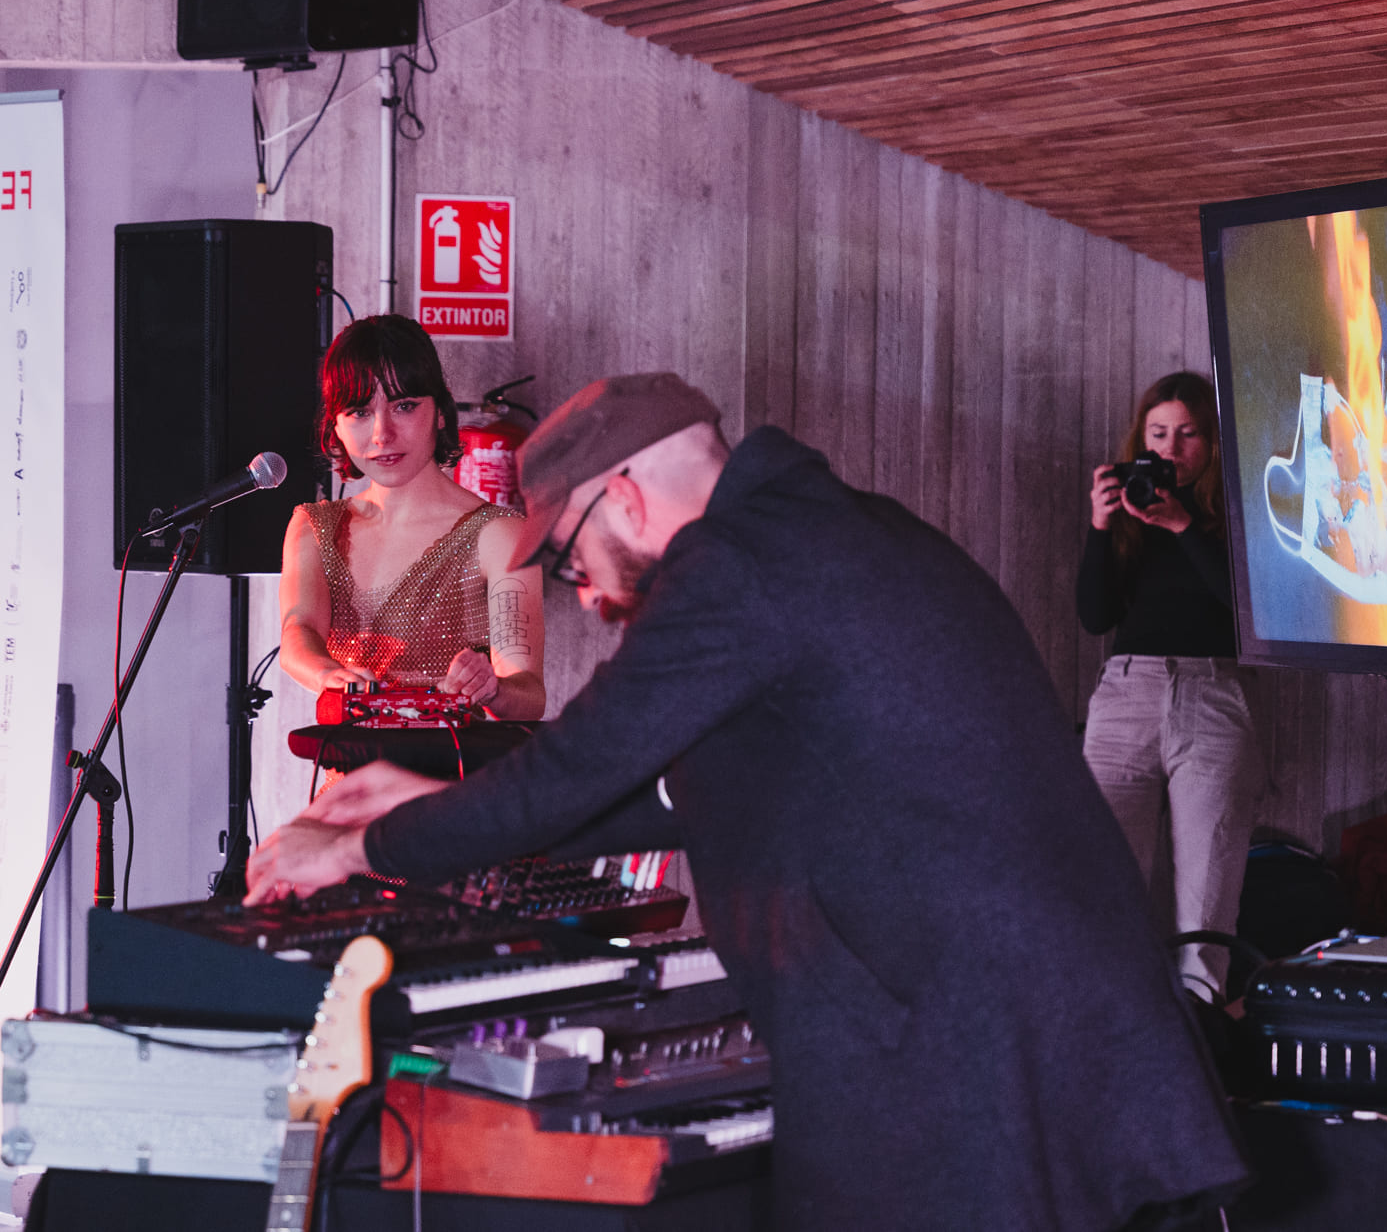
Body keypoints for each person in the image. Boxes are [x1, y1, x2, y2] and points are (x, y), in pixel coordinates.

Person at [249, 373, 1248, 1230]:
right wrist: (430, 792)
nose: (588, 595)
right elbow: (681, 784)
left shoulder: (732, 567)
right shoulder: (826, 531)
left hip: (962, 1052)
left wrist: (359, 848)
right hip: (1024, 1031)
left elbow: (583, 765)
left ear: (624, 498)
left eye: (570, 561)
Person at [1077, 371, 1262, 995]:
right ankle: (1111, 1027)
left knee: (1208, 891)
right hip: (1126, 691)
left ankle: (1202, 1036)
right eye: (1158, 434)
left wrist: (1183, 527)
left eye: (1187, 435)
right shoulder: (1131, 510)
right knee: (1101, 876)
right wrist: (1101, 528)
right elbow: (1095, 616)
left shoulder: (1235, 512)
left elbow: (1246, 613)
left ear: (1211, 443)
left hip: (1211, 693)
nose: (1169, 450)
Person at [277, 314, 544, 721]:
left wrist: (492, 687)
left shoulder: (500, 534)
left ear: (440, 411)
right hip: (348, 779)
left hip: (459, 779)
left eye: (404, 406)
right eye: (359, 412)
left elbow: (529, 694)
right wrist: (332, 676)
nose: (382, 434)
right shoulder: (315, 527)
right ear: (336, 426)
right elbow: (298, 635)